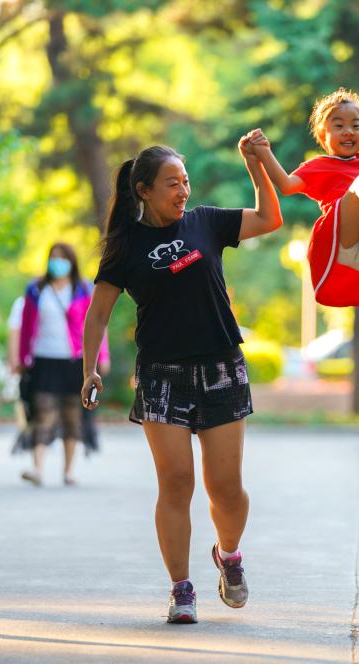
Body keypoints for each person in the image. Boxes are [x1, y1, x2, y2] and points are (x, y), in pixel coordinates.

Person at [81, 137, 282, 625]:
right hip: (162, 375)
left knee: (226, 489)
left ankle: (228, 554)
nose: (183, 191)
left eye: (185, 181)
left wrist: (256, 164)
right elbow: (98, 313)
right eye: (172, 183)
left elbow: (268, 218)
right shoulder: (126, 246)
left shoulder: (206, 222)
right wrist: (88, 369)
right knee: (175, 483)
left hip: (220, 367)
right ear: (144, 190)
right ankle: (181, 588)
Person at [246, 78, 359, 307]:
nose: (348, 132)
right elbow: (286, 185)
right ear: (323, 136)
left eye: (356, 126)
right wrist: (263, 152)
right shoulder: (318, 166)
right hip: (344, 241)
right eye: (339, 126)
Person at [13, 243, 109, 487]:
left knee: (72, 414)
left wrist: (102, 357)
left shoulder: (84, 289)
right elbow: (25, 327)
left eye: (62, 258)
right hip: (43, 359)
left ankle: (68, 471)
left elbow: (98, 324)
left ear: (72, 261)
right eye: (53, 257)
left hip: (75, 360)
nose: (58, 262)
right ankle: (37, 469)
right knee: (42, 412)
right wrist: (22, 358)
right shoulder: (36, 289)